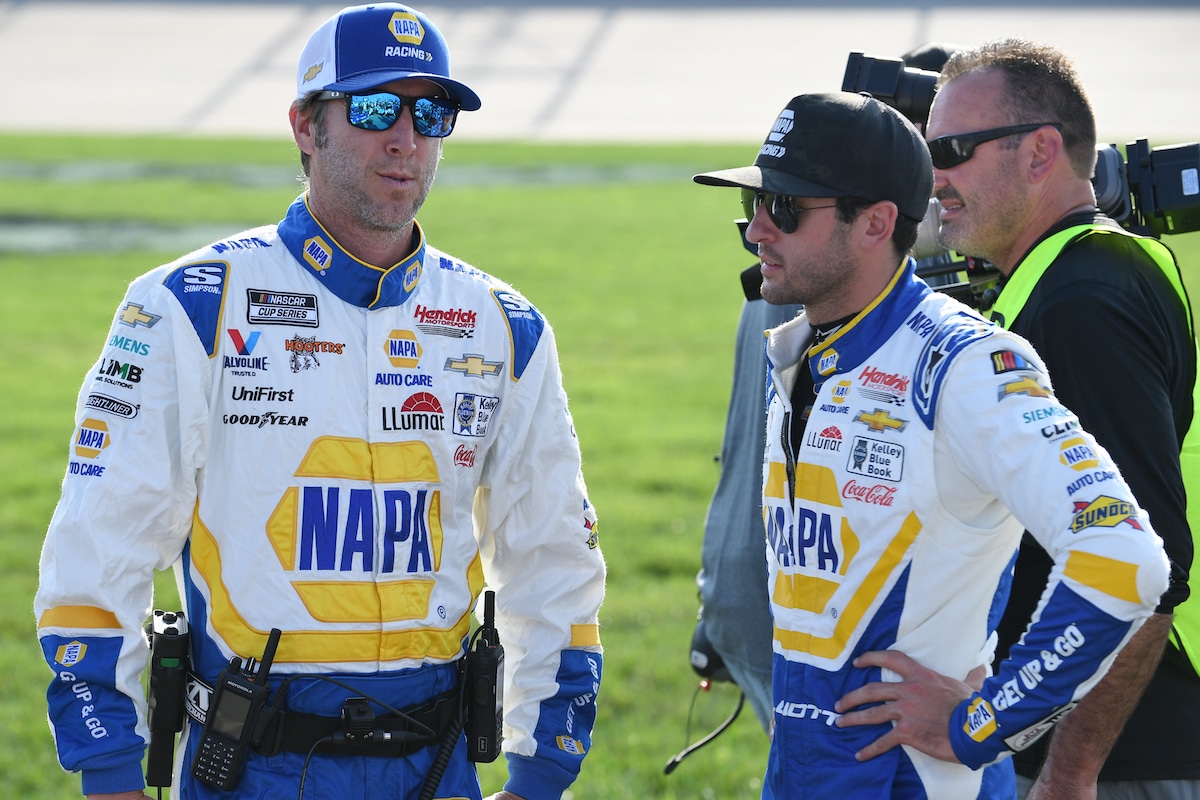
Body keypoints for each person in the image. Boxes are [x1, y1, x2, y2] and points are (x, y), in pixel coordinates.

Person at [33, 4, 606, 799]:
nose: (405, 138)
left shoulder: (504, 325)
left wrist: (543, 774)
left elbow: (554, 555)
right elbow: (97, 554)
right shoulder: (191, 303)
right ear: (306, 126)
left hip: (436, 768)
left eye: (430, 113)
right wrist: (109, 775)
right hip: (250, 766)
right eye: (374, 109)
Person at [693, 90, 1171, 798]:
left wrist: (983, 722)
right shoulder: (799, 351)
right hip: (802, 773)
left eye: (786, 208)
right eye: (754, 207)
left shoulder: (964, 365)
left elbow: (1124, 558)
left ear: (877, 223)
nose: (758, 231)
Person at [925, 38, 1200, 799]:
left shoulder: (1080, 304)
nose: (935, 180)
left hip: (1114, 757)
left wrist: (1069, 772)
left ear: (1041, 152)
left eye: (951, 150)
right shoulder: (1085, 268)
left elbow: (1149, 563)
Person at [693, 42, 961, 736]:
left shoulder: (784, 274)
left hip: (745, 589)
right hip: (810, 611)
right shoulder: (859, 284)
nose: (760, 230)